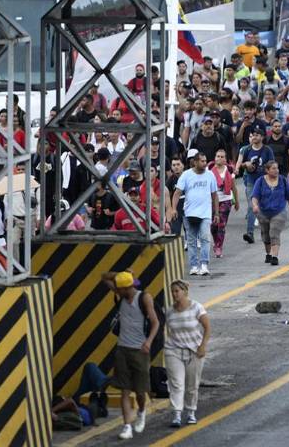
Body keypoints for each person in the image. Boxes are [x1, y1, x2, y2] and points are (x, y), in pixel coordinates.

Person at [99, 271, 158, 441]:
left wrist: (148, 341)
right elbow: (104, 277)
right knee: (124, 390)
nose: (116, 291)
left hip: (139, 350)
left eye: (119, 288)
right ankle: (127, 426)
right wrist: (122, 273)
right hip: (122, 349)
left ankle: (141, 411)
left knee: (140, 392)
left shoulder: (144, 298)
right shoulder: (121, 295)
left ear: (127, 288)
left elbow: (155, 322)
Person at [163, 280, 210, 428]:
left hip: (194, 351)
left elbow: (207, 328)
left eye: (177, 291)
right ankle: (177, 413)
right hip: (173, 350)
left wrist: (202, 346)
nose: (175, 294)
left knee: (192, 385)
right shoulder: (169, 311)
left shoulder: (197, 307)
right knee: (176, 384)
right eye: (172, 292)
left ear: (184, 292)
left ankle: (191, 412)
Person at [170, 152, 218, 277]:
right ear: (195, 162)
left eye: (205, 160)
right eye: (202, 161)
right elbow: (177, 193)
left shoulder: (210, 175)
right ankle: (194, 266)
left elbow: (214, 195)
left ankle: (204, 264)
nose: (204, 163)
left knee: (205, 238)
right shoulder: (186, 175)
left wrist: (216, 212)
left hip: (205, 213)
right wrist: (174, 209)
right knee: (191, 241)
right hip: (189, 213)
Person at [249, 161, 289, 266]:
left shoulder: (283, 181)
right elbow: (255, 196)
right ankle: (268, 253)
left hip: (279, 211)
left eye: (277, 168)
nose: (276, 170)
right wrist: (255, 205)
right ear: (267, 170)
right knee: (266, 235)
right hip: (263, 212)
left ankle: (275, 256)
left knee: (274, 232)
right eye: (273, 168)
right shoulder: (260, 181)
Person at [233, 128, 274, 245]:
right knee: (252, 206)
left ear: (262, 137)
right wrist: (246, 165)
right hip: (251, 181)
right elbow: (240, 163)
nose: (254, 137)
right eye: (253, 135)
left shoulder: (267, 150)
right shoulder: (247, 149)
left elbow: (272, 164)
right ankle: (250, 233)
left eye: (257, 135)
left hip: (264, 182)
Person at [208, 150, 238, 259]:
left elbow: (233, 187)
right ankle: (216, 242)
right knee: (213, 225)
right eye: (218, 156)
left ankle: (219, 246)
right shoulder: (209, 169)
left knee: (221, 223)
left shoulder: (229, 170)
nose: (219, 158)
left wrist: (237, 202)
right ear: (215, 157)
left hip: (226, 199)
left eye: (222, 157)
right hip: (212, 200)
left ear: (225, 159)